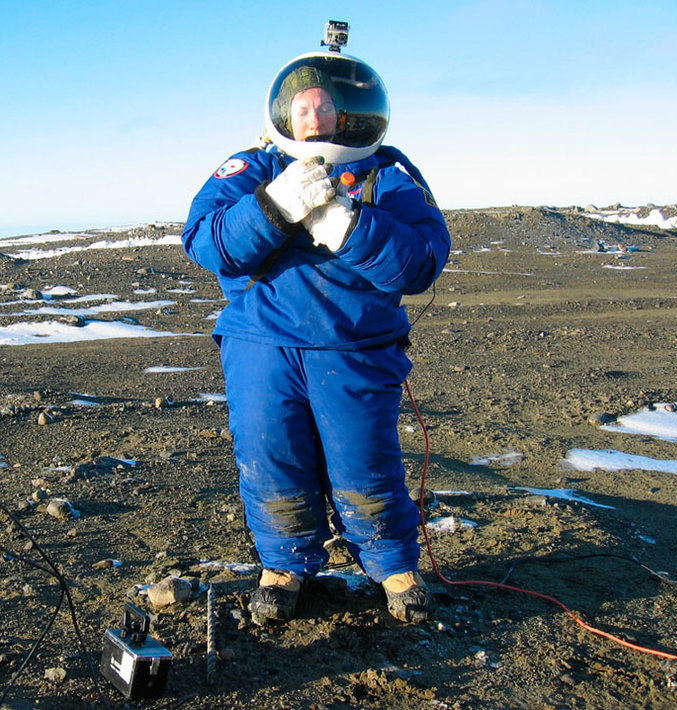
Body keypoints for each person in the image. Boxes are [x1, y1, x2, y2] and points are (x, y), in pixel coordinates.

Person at [181, 42, 451, 624]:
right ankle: (283, 565)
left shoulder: (386, 177)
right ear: (283, 112)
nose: (312, 118)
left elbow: (420, 261)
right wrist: (273, 206)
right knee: (271, 455)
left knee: (364, 462)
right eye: (301, 107)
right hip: (263, 344)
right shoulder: (254, 167)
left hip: (354, 348)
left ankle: (394, 565)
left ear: (345, 113)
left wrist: (346, 224)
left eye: (323, 107)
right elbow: (208, 242)